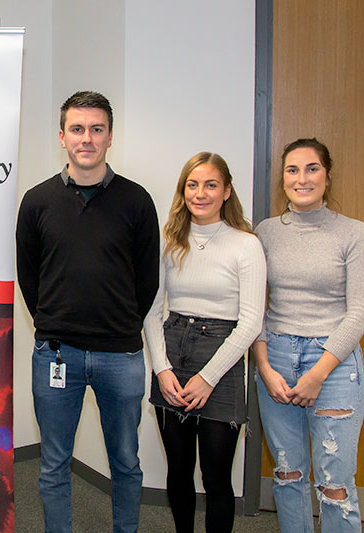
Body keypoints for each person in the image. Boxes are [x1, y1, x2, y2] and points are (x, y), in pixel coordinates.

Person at [16, 91, 160, 533]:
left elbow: (147, 280)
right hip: (57, 355)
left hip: (121, 357)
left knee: (126, 464)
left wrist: (118, 323)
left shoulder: (137, 201)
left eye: (97, 129)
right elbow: (29, 277)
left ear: (110, 137)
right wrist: (55, 319)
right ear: (62, 137)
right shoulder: (37, 202)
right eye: (77, 129)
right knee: (53, 465)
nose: (87, 138)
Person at [143, 153, 266, 532]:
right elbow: (150, 311)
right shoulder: (170, 240)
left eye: (211, 185)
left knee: (215, 478)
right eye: (192, 185)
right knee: (178, 471)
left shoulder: (246, 245)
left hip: (223, 363)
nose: (200, 193)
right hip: (172, 358)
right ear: (184, 191)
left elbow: (250, 323)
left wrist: (208, 377)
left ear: (226, 191)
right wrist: (162, 370)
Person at [254, 138, 364, 532]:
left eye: (312, 168)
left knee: (335, 485)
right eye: (293, 170)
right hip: (277, 359)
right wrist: (264, 367)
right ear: (283, 178)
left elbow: (359, 314)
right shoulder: (264, 233)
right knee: (288, 475)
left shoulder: (353, 233)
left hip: (333, 364)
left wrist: (317, 373)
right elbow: (254, 308)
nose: (302, 178)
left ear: (328, 176)